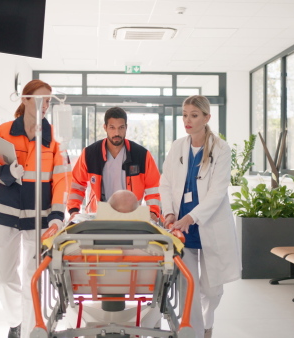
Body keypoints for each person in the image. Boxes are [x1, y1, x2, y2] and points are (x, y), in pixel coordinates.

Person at [0, 79, 70, 338]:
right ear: (25, 99)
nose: (45, 106)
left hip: (39, 219)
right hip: (5, 213)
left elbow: (62, 179)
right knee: (2, 278)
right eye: (40, 99)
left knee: (34, 279)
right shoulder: (5, 131)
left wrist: (56, 216)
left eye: (49, 101)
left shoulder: (54, 141)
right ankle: (16, 320)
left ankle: (31, 332)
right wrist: (5, 172)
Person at [159, 95, 241, 338]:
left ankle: (208, 322)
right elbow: (165, 183)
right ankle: (194, 333)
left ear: (206, 118)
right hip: (182, 229)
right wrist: (170, 212)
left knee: (212, 289)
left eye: (194, 115)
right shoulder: (178, 147)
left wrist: (191, 217)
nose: (187, 120)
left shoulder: (221, 149)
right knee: (190, 287)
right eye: (185, 115)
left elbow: (217, 192)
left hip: (208, 224)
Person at [67, 106, 161, 222]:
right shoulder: (90, 154)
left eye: (121, 128)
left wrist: (153, 211)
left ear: (126, 128)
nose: (117, 133)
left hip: (132, 217)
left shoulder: (141, 155)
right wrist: (74, 211)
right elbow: (76, 185)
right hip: (98, 217)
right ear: (105, 127)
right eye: (112, 127)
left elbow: (154, 188)